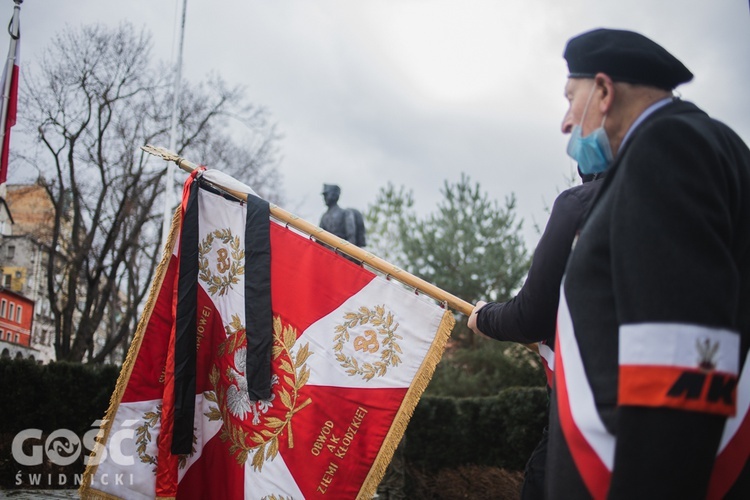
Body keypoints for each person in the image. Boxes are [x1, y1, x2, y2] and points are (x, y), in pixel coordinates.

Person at [548, 28, 750, 499]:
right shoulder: (713, 143)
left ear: (603, 91)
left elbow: (679, 363)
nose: (564, 122)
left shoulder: (667, 145)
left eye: (569, 97)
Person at [467, 167, 603, 500]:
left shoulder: (579, 204)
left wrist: (484, 317)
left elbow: (530, 317)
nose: (568, 126)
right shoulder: (687, 194)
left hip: (583, 417)